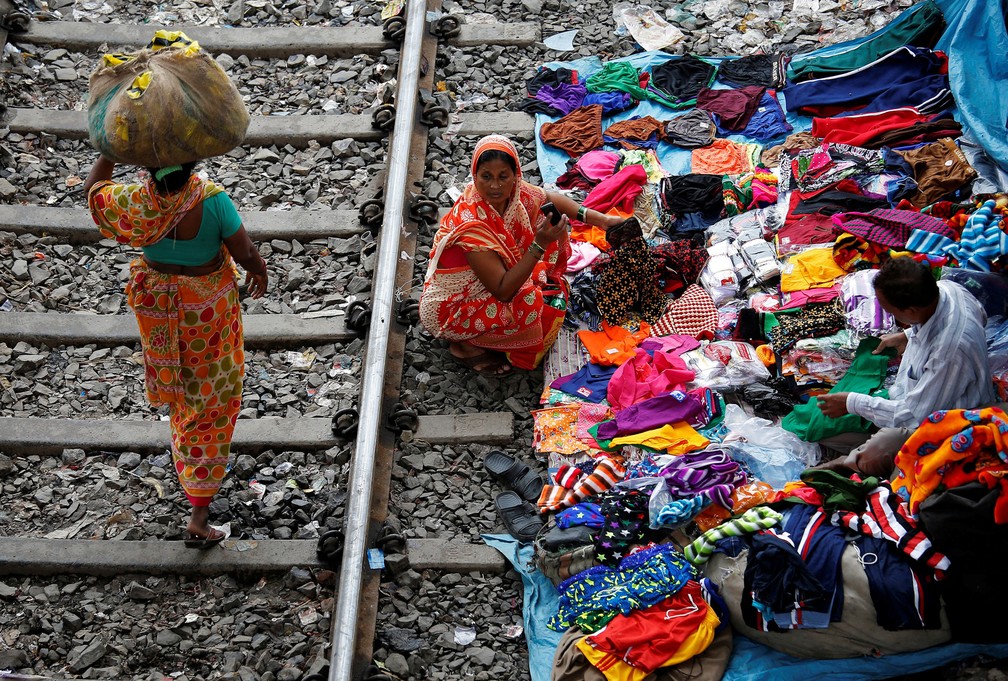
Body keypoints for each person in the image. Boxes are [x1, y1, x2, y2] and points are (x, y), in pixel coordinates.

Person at [84, 154, 268, 548]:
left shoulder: (135, 200)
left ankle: (183, 442)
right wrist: (259, 269)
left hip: (159, 311)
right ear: (194, 161)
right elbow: (244, 252)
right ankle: (199, 514)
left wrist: (108, 153)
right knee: (210, 401)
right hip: (206, 316)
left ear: (146, 168)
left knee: (180, 387)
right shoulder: (212, 199)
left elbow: (94, 193)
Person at [419, 134, 622, 375]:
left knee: (542, 215)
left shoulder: (515, 194)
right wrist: (539, 243)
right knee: (529, 303)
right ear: (474, 176)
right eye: (486, 177)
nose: (495, 186)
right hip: (451, 311)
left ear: (515, 175)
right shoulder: (472, 225)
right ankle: (465, 346)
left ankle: (492, 334)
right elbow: (504, 291)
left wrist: (600, 220)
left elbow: (549, 198)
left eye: (503, 177)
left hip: (488, 283)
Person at [816, 256, 995, 477]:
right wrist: (907, 335)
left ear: (910, 311)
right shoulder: (948, 289)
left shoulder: (950, 351)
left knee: (876, 451)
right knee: (824, 427)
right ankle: (860, 454)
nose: (892, 316)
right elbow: (981, 316)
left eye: (892, 312)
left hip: (951, 423)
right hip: (917, 400)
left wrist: (851, 403)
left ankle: (851, 465)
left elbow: (914, 416)